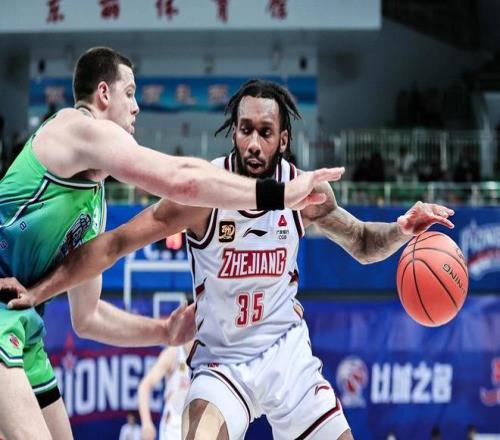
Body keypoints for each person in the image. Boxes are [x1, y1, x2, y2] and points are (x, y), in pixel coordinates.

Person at [4, 79, 455, 439]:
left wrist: (401, 229)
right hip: (222, 362)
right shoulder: (202, 194)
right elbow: (114, 244)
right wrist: (39, 291)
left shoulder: (305, 190)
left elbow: (361, 242)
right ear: (233, 132)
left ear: (283, 139)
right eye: (245, 130)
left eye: (265, 132)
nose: (254, 143)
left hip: (287, 356)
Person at [0, 47, 342, 440]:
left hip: (23, 320)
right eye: (130, 93)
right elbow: (183, 180)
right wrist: (277, 193)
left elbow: (88, 317)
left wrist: (164, 331)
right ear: (104, 94)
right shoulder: (76, 126)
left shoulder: (94, 204)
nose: (136, 108)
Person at [139, 340, 194, 440]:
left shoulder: (209, 355)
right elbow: (144, 386)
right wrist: (146, 423)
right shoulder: (173, 353)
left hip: (198, 424)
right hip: (174, 427)